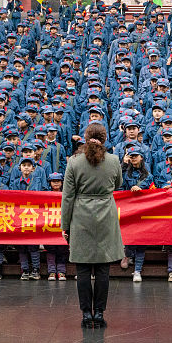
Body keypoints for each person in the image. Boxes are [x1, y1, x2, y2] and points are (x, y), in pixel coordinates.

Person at [61, 123, 124, 329]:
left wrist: (65, 225)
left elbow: (67, 197)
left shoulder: (74, 162)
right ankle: (100, 313)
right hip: (106, 216)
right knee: (103, 269)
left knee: (83, 269)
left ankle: (86, 313)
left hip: (81, 217)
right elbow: (118, 184)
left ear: (85, 138)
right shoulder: (114, 160)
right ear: (104, 139)